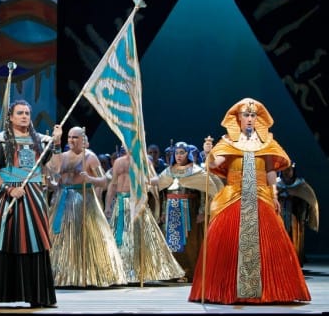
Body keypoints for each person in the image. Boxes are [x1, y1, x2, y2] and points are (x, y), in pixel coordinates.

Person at [188, 97, 311, 304]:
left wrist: (274, 194)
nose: (250, 119)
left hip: (261, 196)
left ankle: (271, 291)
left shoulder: (267, 142)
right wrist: (208, 153)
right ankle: (226, 290)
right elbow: (214, 164)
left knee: (269, 244)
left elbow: (271, 172)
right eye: (246, 115)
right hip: (233, 196)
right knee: (227, 244)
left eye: (253, 115)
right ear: (238, 118)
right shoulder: (227, 141)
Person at [0, 99, 62, 309]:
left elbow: (56, 169)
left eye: (27, 113)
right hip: (9, 195)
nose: (24, 116)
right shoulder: (0, 141)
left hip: (33, 196)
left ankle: (38, 295)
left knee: (35, 241)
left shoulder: (42, 140)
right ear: (11, 117)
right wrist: (9, 189)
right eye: (20, 113)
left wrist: (57, 145)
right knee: (2, 241)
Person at [48, 127, 126, 287]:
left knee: (82, 237)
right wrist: (51, 183)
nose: (71, 140)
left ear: (83, 139)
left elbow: (104, 181)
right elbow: (54, 177)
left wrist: (90, 178)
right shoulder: (61, 156)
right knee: (60, 238)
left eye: (75, 137)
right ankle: (61, 274)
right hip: (63, 199)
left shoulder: (90, 157)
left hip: (83, 201)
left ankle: (85, 274)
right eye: (69, 137)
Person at [105, 149, 185, 284]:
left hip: (137, 202)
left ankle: (138, 271)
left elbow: (156, 179)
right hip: (121, 203)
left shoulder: (144, 161)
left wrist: (144, 180)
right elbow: (113, 185)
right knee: (121, 238)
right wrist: (107, 206)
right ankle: (119, 271)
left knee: (139, 239)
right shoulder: (119, 162)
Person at [157, 141, 223, 282]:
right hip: (171, 209)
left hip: (190, 209)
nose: (179, 155)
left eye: (182, 152)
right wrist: (162, 211)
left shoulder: (196, 171)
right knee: (172, 243)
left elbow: (207, 191)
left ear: (188, 154)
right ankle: (173, 272)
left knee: (189, 243)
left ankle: (189, 272)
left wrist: (203, 211)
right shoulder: (168, 172)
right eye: (177, 152)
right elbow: (162, 193)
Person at [276, 162, 319, 266]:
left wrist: (295, 199)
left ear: (293, 171)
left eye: (289, 170)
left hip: (295, 217)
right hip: (281, 215)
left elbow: (311, 200)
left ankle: (295, 262)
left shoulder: (301, 185)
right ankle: (280, 262)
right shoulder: (276, 185)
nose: (286, 172)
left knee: (295, 239)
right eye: (284, 170)